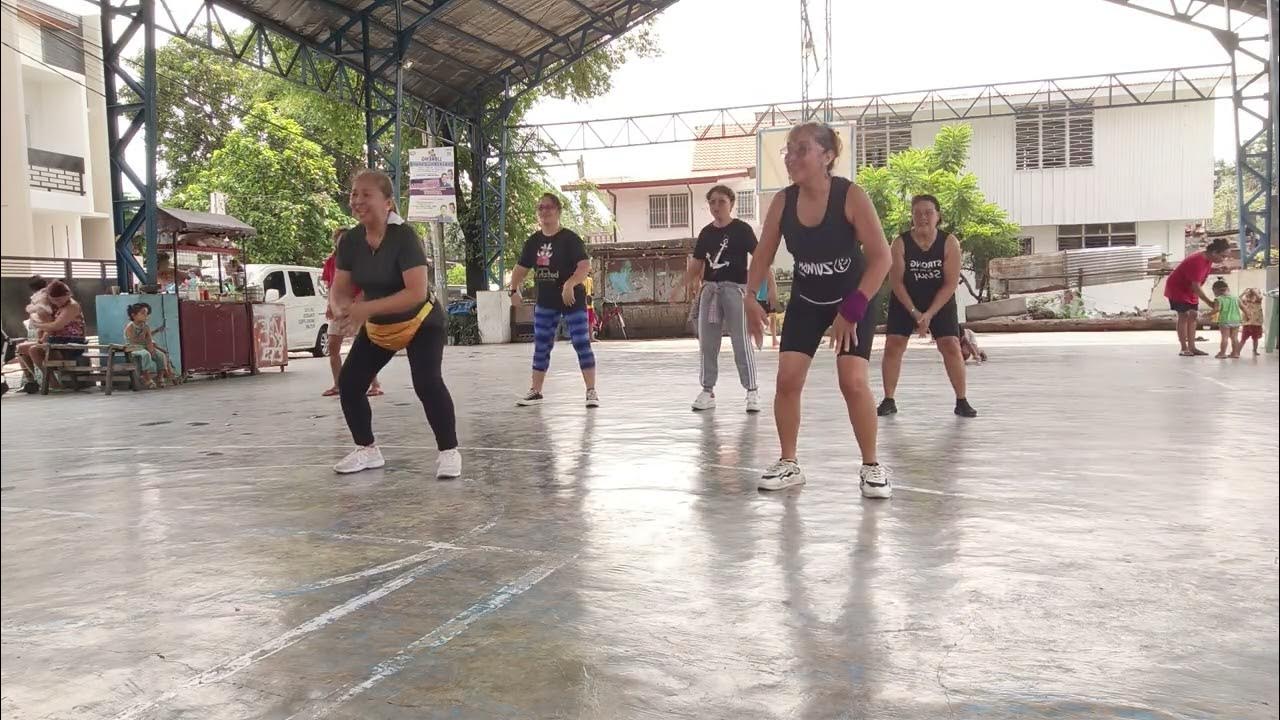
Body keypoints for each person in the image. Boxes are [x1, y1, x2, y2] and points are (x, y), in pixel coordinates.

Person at [744, 122, 893, 497]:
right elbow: (762, 255)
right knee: (787, 380)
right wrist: (751, 297)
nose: (791, 157)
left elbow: (881, 259)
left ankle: (872, 466)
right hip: (808, 300)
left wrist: (853, 310)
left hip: (853, 297)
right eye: (789, 150)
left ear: (827, 156)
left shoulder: (850, 196)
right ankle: (789, 463)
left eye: (802, 149)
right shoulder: (783, 201)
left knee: (852, 381)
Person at [329, 169, 460, 478]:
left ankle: (449, 451)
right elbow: (340, 289)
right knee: (349, 384)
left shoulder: (404, 237)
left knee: (427, 382)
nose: (357, 200)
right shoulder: (349, 241)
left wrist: (364, 309)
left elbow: (415, 293)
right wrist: (343, 311)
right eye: (353, 194)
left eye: (366, 194)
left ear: (387, 202)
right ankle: (367, 450)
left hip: (421, 321)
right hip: (378, 326)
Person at [877, 195, 977, 418]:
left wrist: (929, 314)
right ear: (912, 217)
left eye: (928, 212)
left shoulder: (949, 242)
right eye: (918, 213)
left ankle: (962, 400)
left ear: (938, 216)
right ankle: (888, 399)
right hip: (905, 299)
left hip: (939, 300)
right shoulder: (900, 243)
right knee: (893, 344)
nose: (923, 217)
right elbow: (896, 282)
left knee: (951, 345)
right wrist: (914, 312)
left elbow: (951, 283)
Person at [509, 193, 599, 408]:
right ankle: (536, 390)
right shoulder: (534, 242)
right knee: (541, 345)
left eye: (548, 207)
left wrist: (569, 284)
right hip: (546, 302)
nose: (544, 211)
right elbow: (520, 269)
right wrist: (513, 290)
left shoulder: (570, 239)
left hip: (571, 301)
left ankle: (591, 391)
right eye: (540, 208)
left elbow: (584, 266)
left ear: (558, 210)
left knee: (581, 342)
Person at [678, 184, 762, 413]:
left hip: (735, 291)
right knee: (707, 343)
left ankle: (751, 390)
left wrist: (768, 289)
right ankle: (707, 390)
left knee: (741, 342)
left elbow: (761, 258)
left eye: (721, 201)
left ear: (731, 204)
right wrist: (680, 287)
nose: (716, 206)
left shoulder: (742, 230)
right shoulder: (706, 233)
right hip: (710, 292)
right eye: (712, 202)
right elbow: (696, 264)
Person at [321, 227, 382, 398]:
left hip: (357, 307)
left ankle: (375, 384)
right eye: (340, 240)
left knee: (363, 347)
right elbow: (330, 285)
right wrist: (329, 305)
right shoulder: (331, 262)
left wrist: (359, 305)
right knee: (333, 345)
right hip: (338, 308)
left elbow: (365, 285)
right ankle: (338, 384)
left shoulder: (360, 260)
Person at [17, 280, 86, 393]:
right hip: (55, 342)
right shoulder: (55, 306)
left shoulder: (72, 306)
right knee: (20, 348)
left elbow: (56, 326)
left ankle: (53, 384)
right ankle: (33, 381)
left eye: (59, 299)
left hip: (71, 344)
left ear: (68, 295)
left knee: (34, 350)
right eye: (53, 300)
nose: (56, 302)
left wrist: (38, 325)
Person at [1165, 237, 1229, 356]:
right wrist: (1209, 302)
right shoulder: (1197, 261)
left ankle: (1192, 347)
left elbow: (1197, 280)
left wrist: (1217, 269)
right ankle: (1184, 348)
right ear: (1214, 252)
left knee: (1193, 316)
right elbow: (1196, 286)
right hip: (1178, 288)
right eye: (1223, 256)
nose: (1224, 259)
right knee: (1184, 315)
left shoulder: (1208, 259)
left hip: (1190, 290)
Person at [124, 302, 176, 388]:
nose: (146, 316)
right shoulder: (130, 327)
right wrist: (146, 344)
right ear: (134, 315)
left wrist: (151, 349)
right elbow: (133, 340)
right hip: (133, 347)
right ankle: (147, 378)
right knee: (145, 354)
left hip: (144, 346)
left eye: (147, 313)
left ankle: (160, 378)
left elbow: (149, 339)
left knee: (160, 355)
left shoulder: (146, 326)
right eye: (143, 313)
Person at [1210, 278, 1242, 359]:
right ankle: (1235, 353)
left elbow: (1216, 309)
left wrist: (1207, 314)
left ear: (1216, 290)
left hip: (1225, 321)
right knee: (1234, 338)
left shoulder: (1219, 299)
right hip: (1236, 320)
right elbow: (1244, 307)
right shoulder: (1236, 298)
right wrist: (1248, 315)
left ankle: (1222, 353)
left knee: (1225, 337)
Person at [755, 271, 781, 350]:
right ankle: (759, 340)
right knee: (759, 320)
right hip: (759, 298)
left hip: (768, 297)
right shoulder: (755, 270)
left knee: (773, 318)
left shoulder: (769, 271)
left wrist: (774, 296)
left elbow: (773, 284)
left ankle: (774, 339)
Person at [1239, 287, 1264, 355]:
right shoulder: (1245, 300)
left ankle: (1255, 350)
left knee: (1255, 339)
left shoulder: (1258, 301)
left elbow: (1260, 297)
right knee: (1243, 339)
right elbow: (1238, 299)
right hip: (1247, 323)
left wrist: (1254, 291)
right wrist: (1244, 292)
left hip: (1256, 323)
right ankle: (1237, 351)